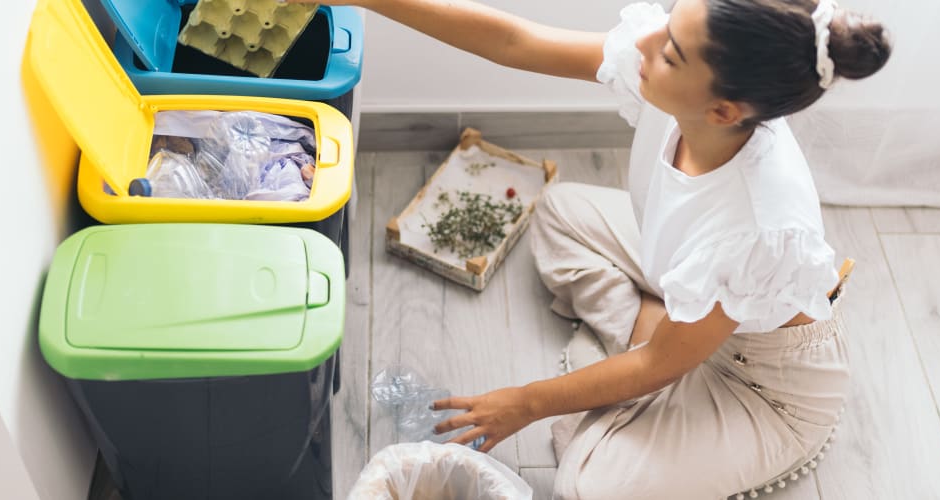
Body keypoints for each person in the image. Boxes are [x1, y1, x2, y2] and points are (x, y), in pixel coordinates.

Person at [288, 0, 891, 496]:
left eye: (671, 51)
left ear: (723, 109)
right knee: (561, 211)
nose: (646, 43)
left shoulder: (757, 225)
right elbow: (515, 42)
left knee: (585, 485)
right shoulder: (679, 85)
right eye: (670, 21)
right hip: (697, 306)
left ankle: (653, 371)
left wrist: (524, 403)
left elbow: (663, 364)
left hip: (763, 384)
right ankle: (651, 338)